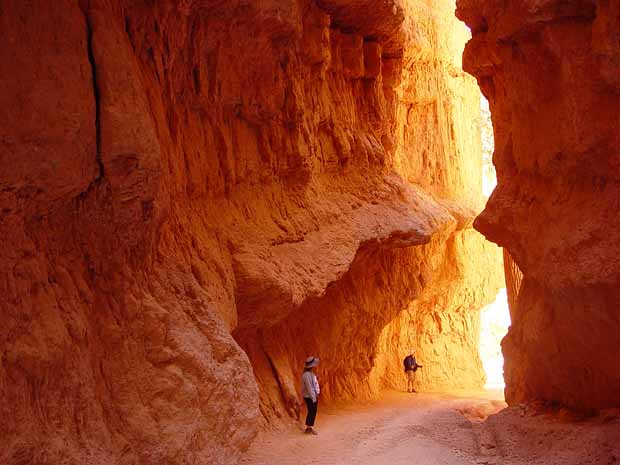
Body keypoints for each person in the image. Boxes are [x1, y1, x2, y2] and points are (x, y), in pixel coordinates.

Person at [301, 356, 320, 435]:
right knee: (312, 411)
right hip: (310, 396)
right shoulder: (306, 375)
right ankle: (309, 427)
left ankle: (309, 427)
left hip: (311, 396)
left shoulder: (309, 374)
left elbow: (312, 384)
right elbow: (309, 387)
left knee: (312, 411)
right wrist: (314, 397)